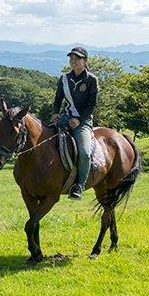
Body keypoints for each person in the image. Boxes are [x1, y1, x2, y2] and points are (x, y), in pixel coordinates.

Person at [52, 46, 99, 200]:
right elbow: (58, 99)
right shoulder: (64, 78)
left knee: (85, 153)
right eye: (71, 58)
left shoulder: (92, 80)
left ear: (84, 61)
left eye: (77, 58)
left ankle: (79, 184)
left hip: (83, 121)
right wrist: (56, 113)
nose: (73, 61)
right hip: (65, 117)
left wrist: (79, 120)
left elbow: (92, 105)